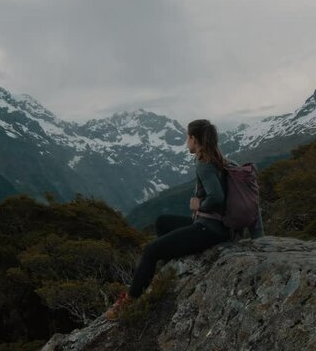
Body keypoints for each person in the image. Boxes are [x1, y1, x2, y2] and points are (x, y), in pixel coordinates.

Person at [105, 119, 261, 320]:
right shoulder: (223, 161)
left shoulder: (204, 165)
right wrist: (260, 237)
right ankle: (172, 266)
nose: (186, 141)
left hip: (210, 231)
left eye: (187, 137)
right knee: (162, 221)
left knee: (150, 251)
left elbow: (217, 197)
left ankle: (127, 304)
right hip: (220, 228)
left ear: (194, 139)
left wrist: (199, 205)